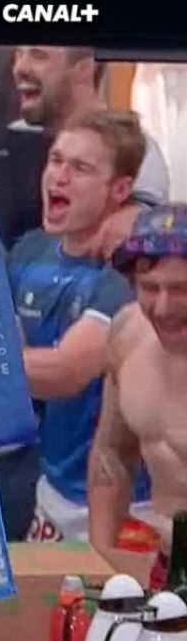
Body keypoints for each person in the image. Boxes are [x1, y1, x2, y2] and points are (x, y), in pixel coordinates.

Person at [7, 108, 155, 545]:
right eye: (55, 160)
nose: (60, 176)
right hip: (50, 489)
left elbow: (66, 373)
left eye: (80, 168)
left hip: (129, 499)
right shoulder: (29, 251)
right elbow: (2, 345)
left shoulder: (129, 268)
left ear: (121, 189)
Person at [88, 203, 187, 585]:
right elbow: (112, 451)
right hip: (163, 561)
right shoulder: (128, 332)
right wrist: (101, 559)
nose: (163, 307)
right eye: (150, 288)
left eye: (181, 290)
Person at [0, 47, 170, 248]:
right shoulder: (6, 142)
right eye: (18, 55)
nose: (19, 68)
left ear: (84, 68)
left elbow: (142, 240)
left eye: (38, 55)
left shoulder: (137, 151)